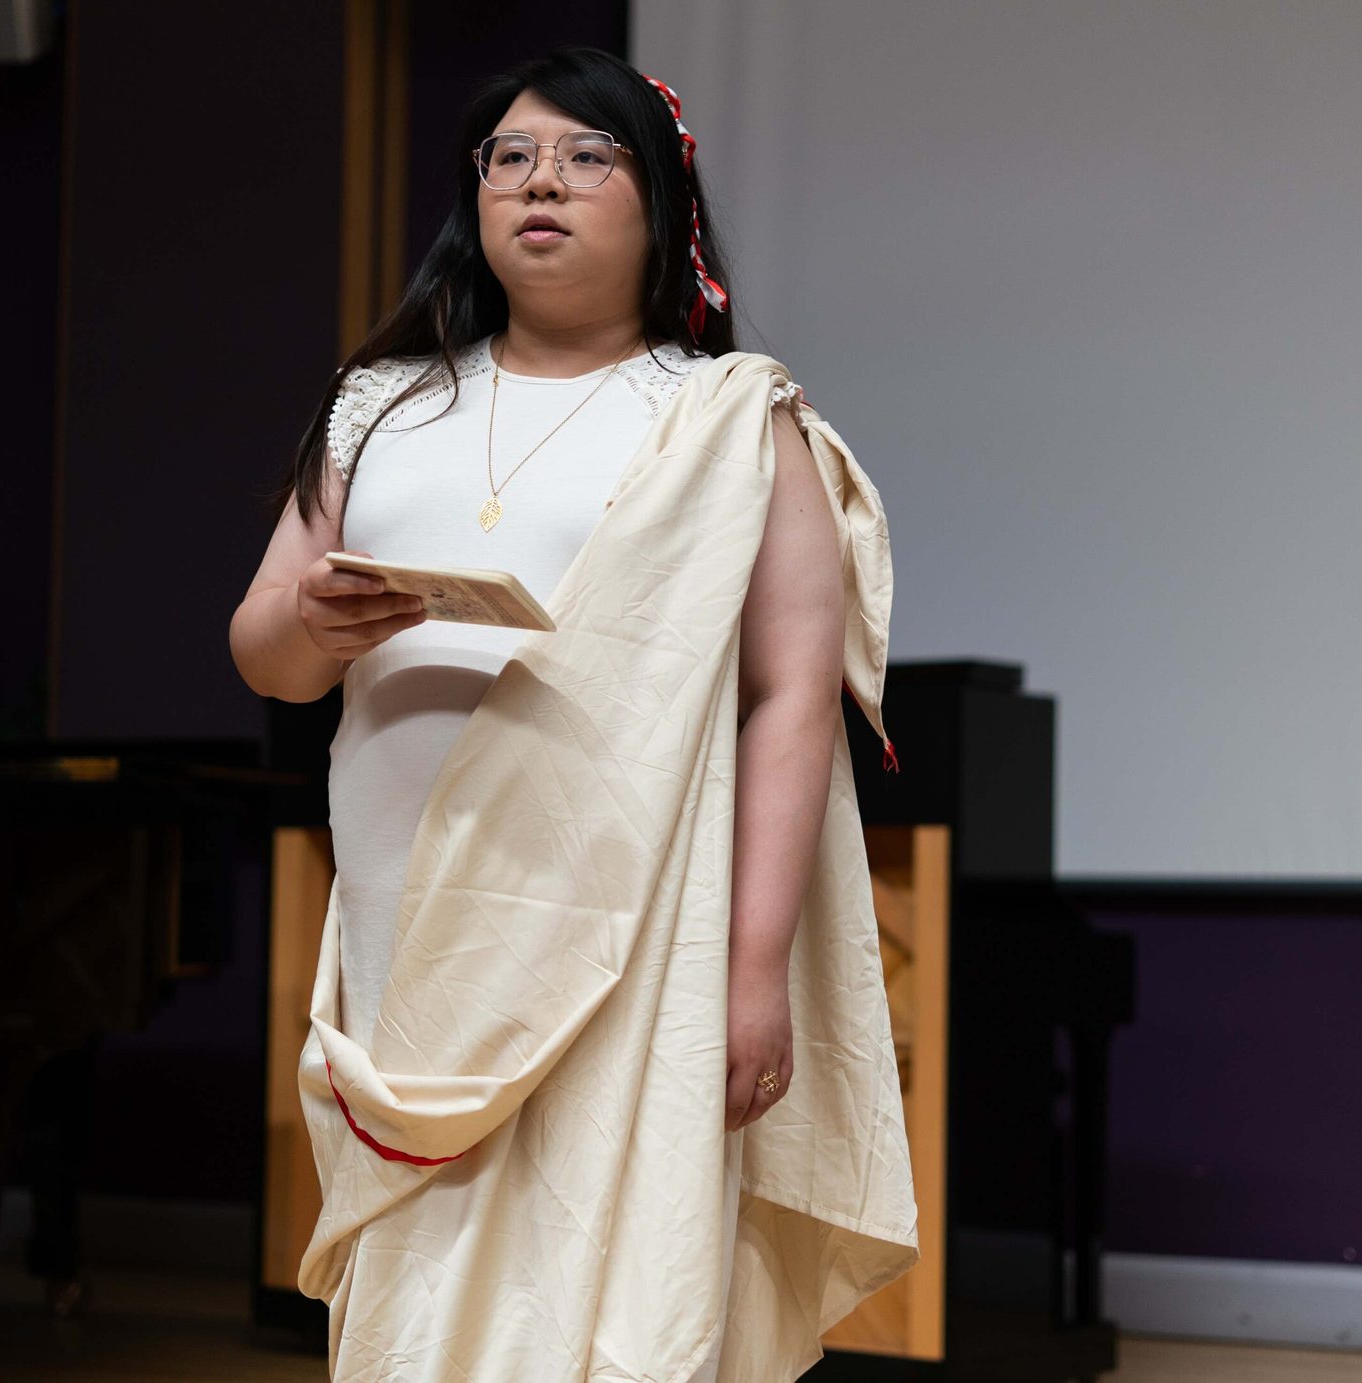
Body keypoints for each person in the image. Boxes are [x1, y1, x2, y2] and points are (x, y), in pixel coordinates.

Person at [229, 45, 915, 1383]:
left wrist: (756, 968)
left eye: (588, 156)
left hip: (636, 931)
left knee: (608, 1301)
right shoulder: (379, 406)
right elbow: (265, 657)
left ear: (663, 209)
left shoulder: (728, 420)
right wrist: (310, 625)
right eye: (508, 157)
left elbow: (790, 705)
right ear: (474, 200)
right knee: (418, 1304)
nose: (541, 179)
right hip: (409, 932)